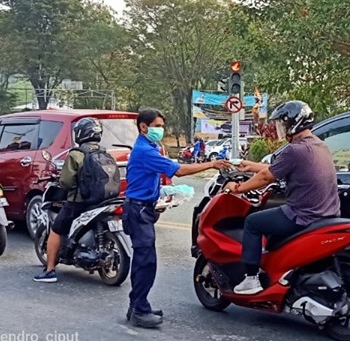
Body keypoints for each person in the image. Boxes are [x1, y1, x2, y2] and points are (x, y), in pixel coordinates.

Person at [122, 109, 232, 328]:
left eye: (162, 126)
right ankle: (138, 309)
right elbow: (178, 170)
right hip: (138, 210)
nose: (160, 130)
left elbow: (148, 178)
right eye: (156, 126)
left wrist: (162, 192)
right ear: (143, 127)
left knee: (145, 260)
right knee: (146, 261)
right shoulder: (144, 150)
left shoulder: (150, 147)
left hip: (143, 207)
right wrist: (211, 164)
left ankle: (137, 305)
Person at [223, 101, 341, 295]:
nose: (279, 129)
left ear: (293, 123)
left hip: (303, 215)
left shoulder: (294, 150)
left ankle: (251, 279)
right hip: (328, 214)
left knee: (253, 223)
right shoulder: (320, 145)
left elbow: (266, 177)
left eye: (281, 124)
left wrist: (237, 188)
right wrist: (250, 166)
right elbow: (278, 170)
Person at [33, 118, 106, 282]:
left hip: (80, 202)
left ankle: (50, 270)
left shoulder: (76, 154)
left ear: (81, 133)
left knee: (57, 229)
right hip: (103, 200)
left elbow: (66, 182)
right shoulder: (103, 152)